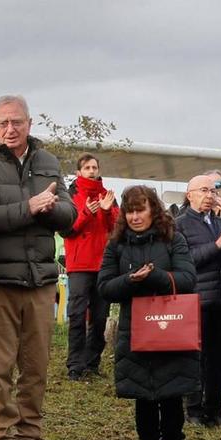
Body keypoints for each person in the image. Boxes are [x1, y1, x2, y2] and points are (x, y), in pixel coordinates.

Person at [0, 95, 76, 440]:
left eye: (17, 122)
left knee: (36, 367)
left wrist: (50, 207)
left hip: (39, 280)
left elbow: (69, 214)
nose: (10, 129)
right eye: (2, 123)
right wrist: (28, 207)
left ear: (29, 123)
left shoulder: (48, 162)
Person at [98, 186, 199, 440]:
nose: (134, 216)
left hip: (171, 326)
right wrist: (130, 280)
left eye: (140, 209)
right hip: (135, 328)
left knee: (170, 395)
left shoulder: (173, 239)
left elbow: (188, 278)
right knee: (142, 396)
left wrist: (155, 277)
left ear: (153, 209)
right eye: (129, 211)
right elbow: (104, 287)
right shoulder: (116, 244)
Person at [176, 171, 221, 426]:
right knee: (196, 356)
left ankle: (214, 410)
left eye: (213, 191)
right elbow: (186, 260)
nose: (209, 195)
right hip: (196, 299)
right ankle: (193, 409)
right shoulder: (180, 224)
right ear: (189, 194)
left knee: (217, 357)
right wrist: (217, 246)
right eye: (203, 190)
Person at [63, 152, 119, 380]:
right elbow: (66, 228)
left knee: (99, 317)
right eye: (87, 168)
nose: (92, 171)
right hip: (78, 264)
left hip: (102, 264)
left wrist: (105, 210)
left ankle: (92, 363)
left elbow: (115, 228)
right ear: (79, 172)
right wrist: (87, 212)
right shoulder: (70, 195)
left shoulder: (108, 195)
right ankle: (75, 364)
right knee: (77, 315)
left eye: (94, 167)